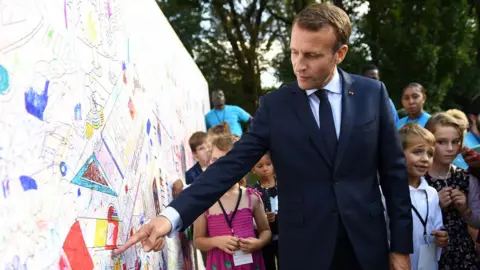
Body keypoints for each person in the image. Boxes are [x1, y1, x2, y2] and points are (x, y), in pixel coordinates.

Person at [113, 3, 413, 270]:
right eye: (294, 51)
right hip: (304, 251)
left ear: (340, 54)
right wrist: (171, 217)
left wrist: (400, 248)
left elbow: (394, 175)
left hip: (366, 248)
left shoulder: (372, 94)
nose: (299, 64)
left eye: (311, 55)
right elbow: (229, 167)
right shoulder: (275, 106)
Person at [193, 135, 271, 269]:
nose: (219, 165)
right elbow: (198, 241)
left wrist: (259, 243)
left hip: (250, 264)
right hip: (220, 264)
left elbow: (266, 231)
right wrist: (216, 241)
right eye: (215, 160)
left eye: (225, 160)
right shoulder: (204, 201)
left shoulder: (251, 197)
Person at [424, 113, 480, 269]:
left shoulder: (466, 177)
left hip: (463, 255)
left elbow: (476, 222)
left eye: (455, 142)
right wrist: (435, 206)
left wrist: (465, 210)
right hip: (428, 254)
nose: (450, 148)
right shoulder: (419, 179)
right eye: (441, 142)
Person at [398, 124, 448, 269]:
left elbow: (438, 226)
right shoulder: (385, 193)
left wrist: (442, 237)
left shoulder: (431, 193)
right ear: (399, 153)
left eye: (430, 153)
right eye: (418, 152)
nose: (425, 159)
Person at [251, 153, 279, 270]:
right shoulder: (253, 191)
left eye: (268, 164)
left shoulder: (284, 185)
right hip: (264, 239)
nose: (265, 169)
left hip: (286, 234)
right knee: (268, 264)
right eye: (260, 166)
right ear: (253, 170)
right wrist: (262, 218)